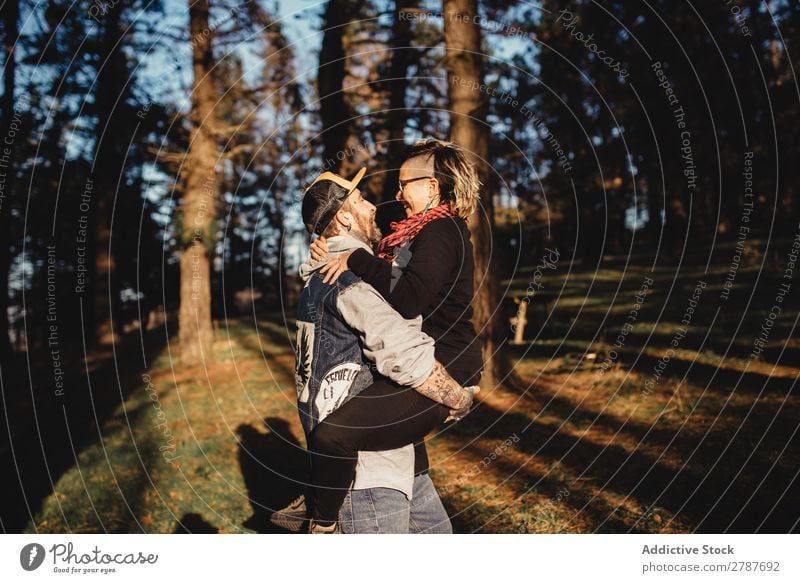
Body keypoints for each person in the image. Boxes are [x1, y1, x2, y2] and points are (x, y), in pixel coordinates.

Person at [306, 139, 485, 531]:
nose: (396, 194)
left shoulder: (441, 229)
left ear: (433, 187)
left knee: (335, 436)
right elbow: (384, 265)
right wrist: (327, 239)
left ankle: (320, 521)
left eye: (404, 184)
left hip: (446, 364)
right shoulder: (419, 232)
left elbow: (407, 297)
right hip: (432, 358)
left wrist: (352, 256)